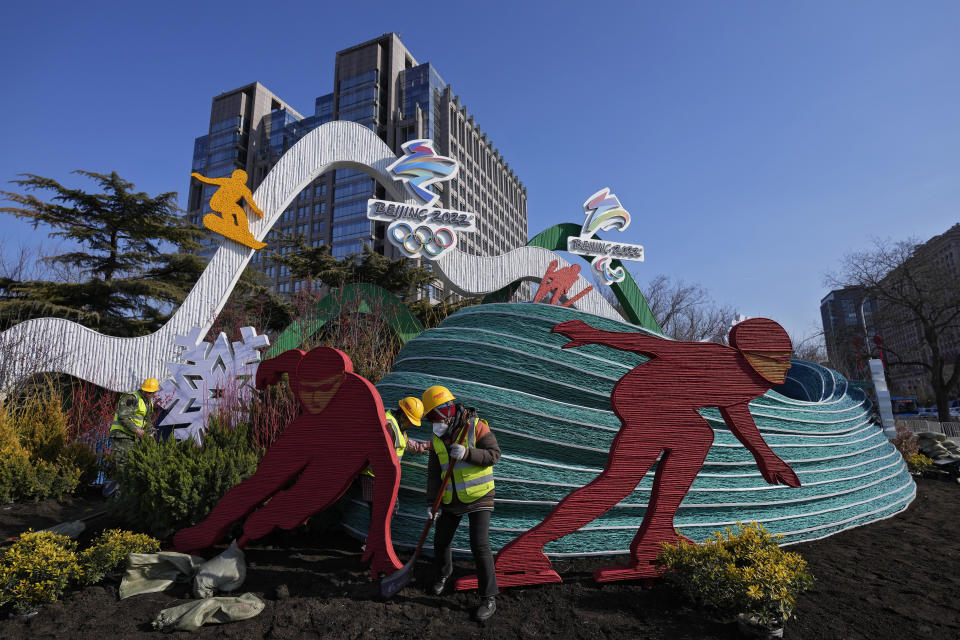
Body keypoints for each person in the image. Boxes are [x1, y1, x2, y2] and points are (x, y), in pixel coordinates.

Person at [491, 317, 802, 587]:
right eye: (777, 359)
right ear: (750, 356)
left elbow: (735, 409)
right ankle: (526, 549)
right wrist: (595, 334)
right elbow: (652, 345)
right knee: (618, 483)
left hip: (668, 405)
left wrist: (765, 455)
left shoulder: (753, 381)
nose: (785, 366)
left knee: (696, 438)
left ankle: (658, 533)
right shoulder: (716, 357)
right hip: (643, 397)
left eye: (787, 358)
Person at [173, 346, 405, 578]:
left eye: (323, 389)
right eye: (306, 389)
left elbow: (388, 467)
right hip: (310, 431)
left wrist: (380, 535)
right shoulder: (297, 367)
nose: (312, 398)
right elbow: (289, 359)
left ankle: (251, 532)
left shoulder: (362, 401)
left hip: (343, 450)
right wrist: (267, 368)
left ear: (340, 381)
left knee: (295, 506)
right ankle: (204, 532)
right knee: (259, 483)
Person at [423, 384, 501, 621]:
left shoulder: (476, 427)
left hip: (479, 496)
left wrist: (468, 454)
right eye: (430, 418)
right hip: (451, 498)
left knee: (479, 545)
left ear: (448, 410)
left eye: (436, 416)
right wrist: (431, 503)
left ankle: (489, 598)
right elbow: (434, 473)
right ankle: (443, 576)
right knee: (441, 540)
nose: (435, 423)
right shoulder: (437, 439)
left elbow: (494, 454)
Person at [358, 397, 431, 521]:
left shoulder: (398, 425)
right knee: (382, 511)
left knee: (387, 510)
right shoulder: (389, 426)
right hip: (373, 476)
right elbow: (380, 453)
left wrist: (419, 447)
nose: (411, 425)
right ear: (403, 415)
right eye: (410, 422)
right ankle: (373, 538)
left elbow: (403, 442)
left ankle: (375, 537)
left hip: (382, 477)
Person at [190, 169, 266, 249]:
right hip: (217, 203)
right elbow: (209, 180)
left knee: (237, 211)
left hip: (226, 205)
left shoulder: (244, 189)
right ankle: (237, 228)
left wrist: (257, 210)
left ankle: (242, 230)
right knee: (236, 210)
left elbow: (251, 202)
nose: (239, 181)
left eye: (241, 179)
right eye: (238, 178)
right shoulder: (227, 181)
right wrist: (198, 176)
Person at [109, 377, 159, 475]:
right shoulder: (131, 398)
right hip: (122, 434)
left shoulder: (149, 403)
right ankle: (122, 487)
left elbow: (146, 420)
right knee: (124, 464)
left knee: (135, 464)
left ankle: (128, 486)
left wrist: (151, 432)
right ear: (143, 389)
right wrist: (137, 430)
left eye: (150, 392)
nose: (148, 394)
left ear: (154, 392)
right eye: (146, 391)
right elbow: (123, 417)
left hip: (133, 436)